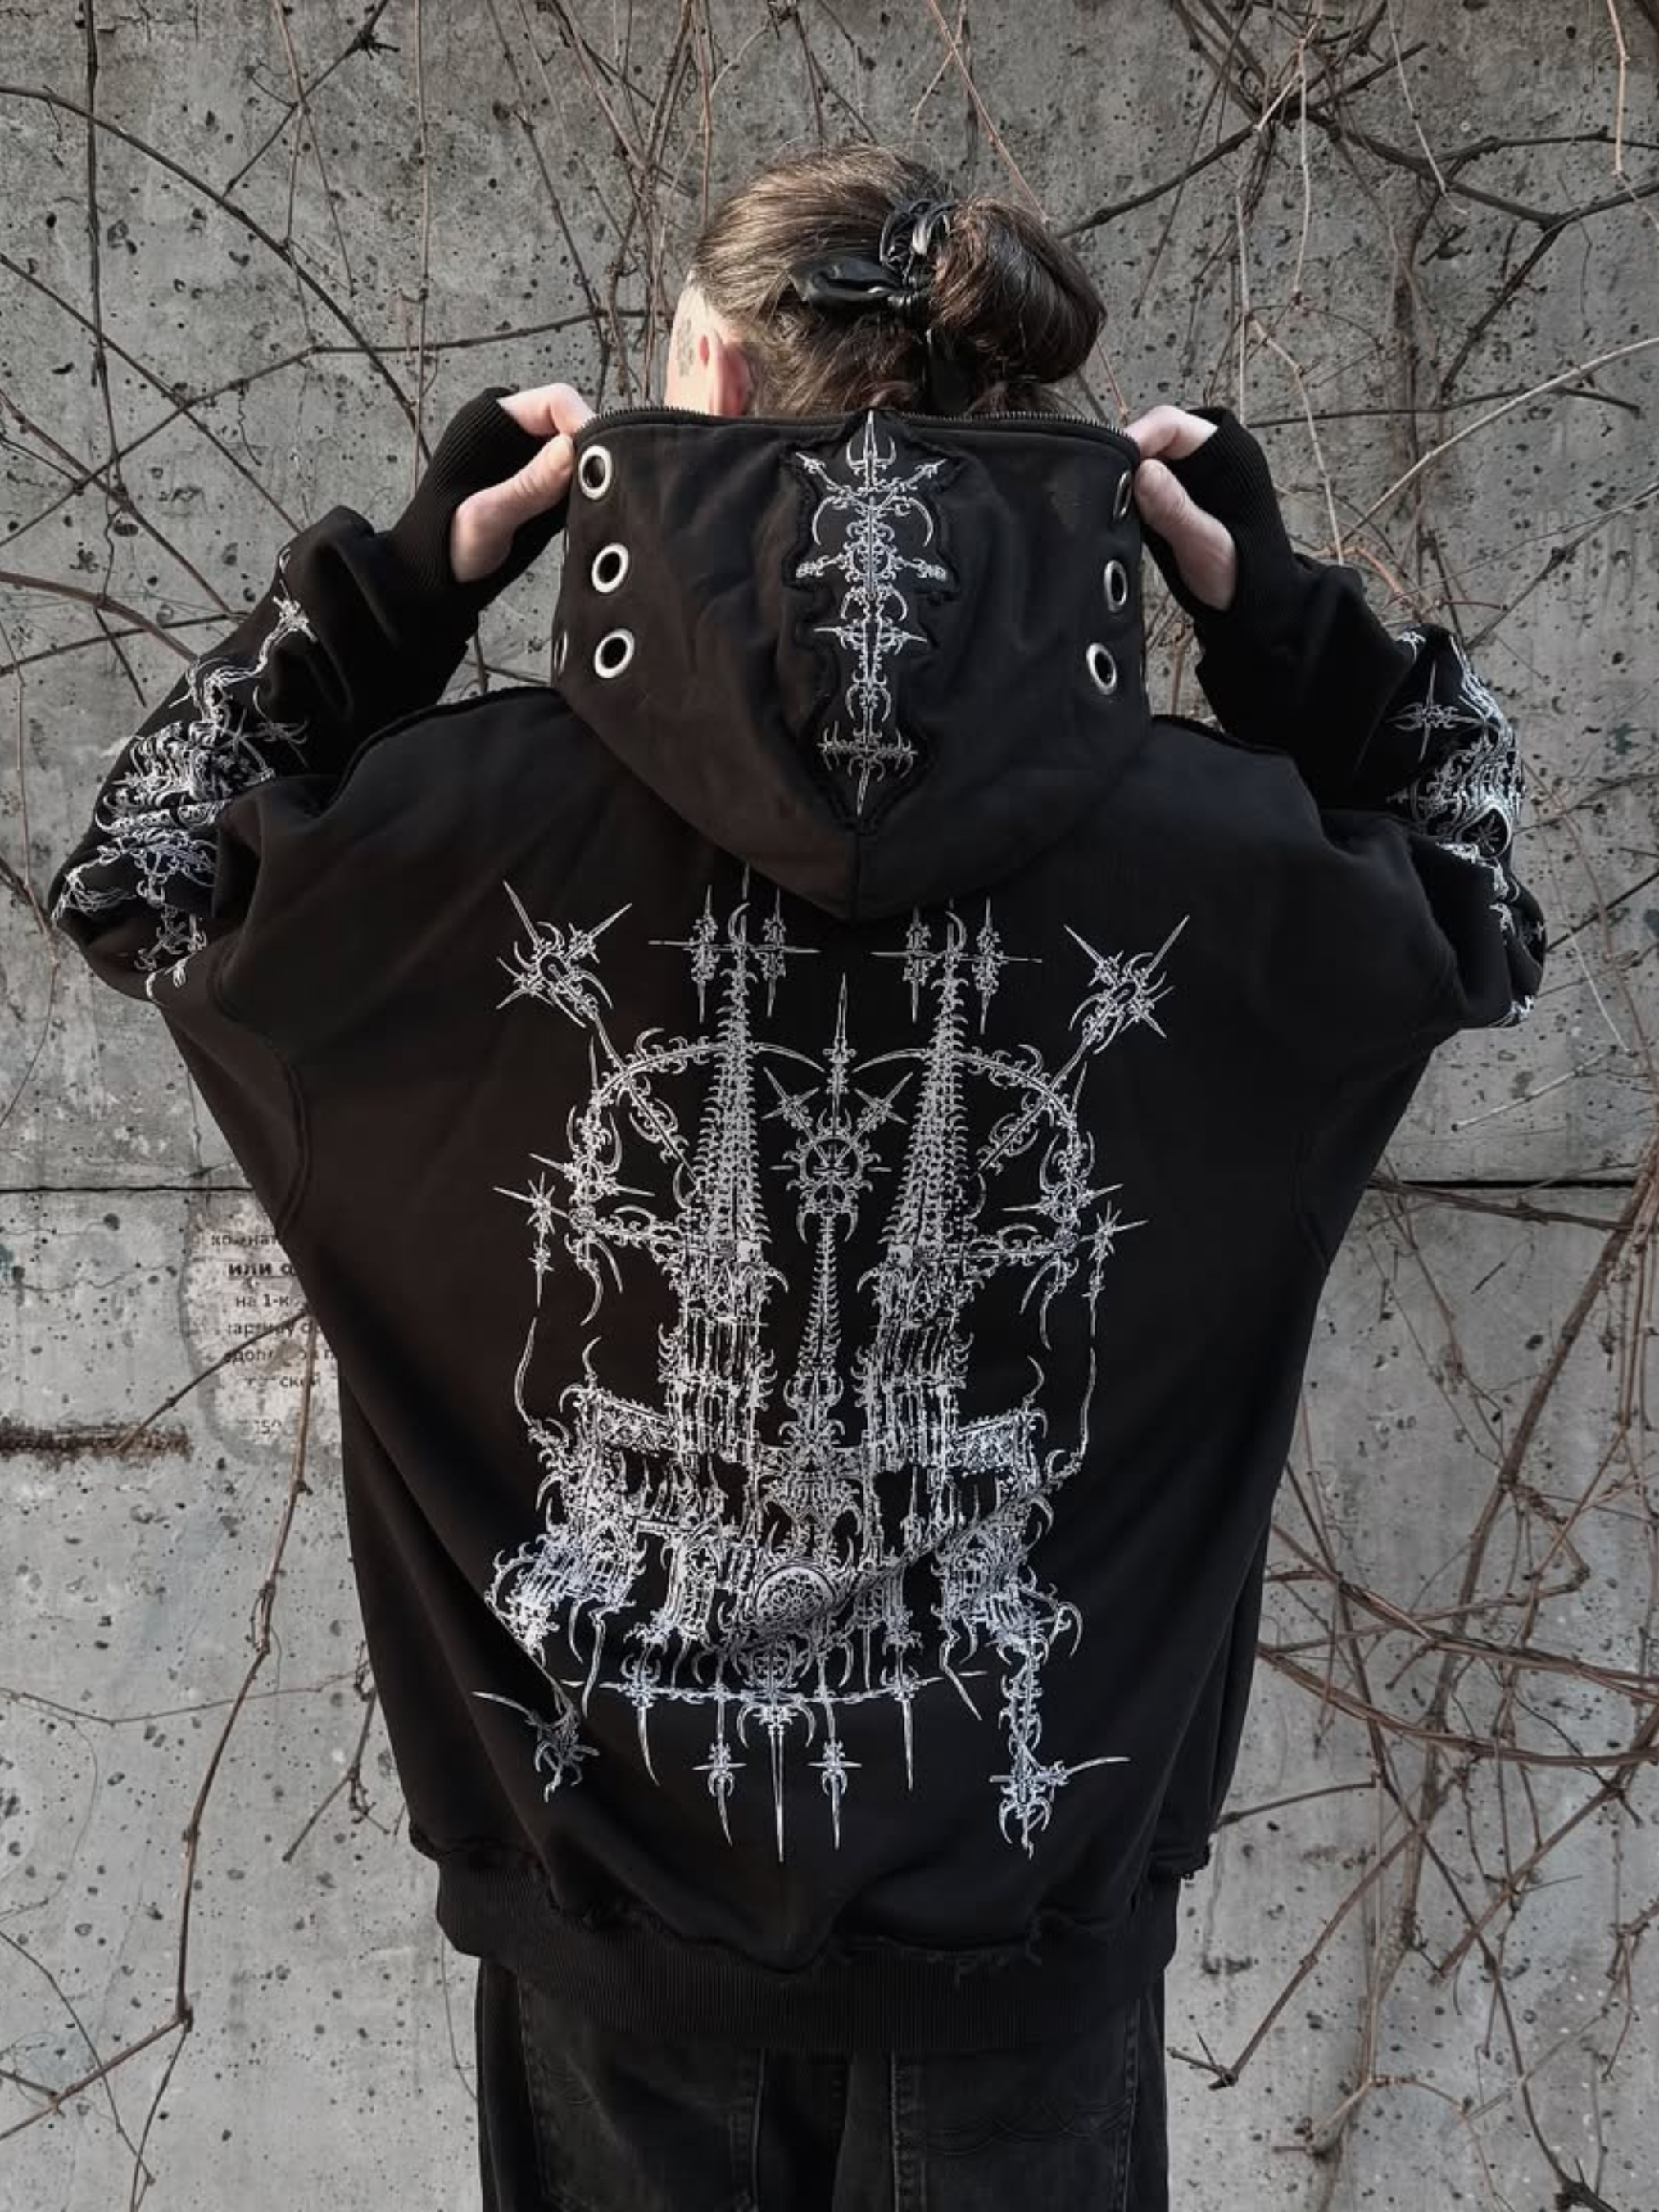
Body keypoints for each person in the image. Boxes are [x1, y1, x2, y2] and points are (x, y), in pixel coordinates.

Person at [48, 142, 1546, 2210]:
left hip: (613, 1938)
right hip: (1028, 1950)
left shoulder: (442, 838)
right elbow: (1475, 868)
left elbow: (139, 870)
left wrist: (400, 591)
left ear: (714, 389)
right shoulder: (1220, 859)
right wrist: (1269, 615)